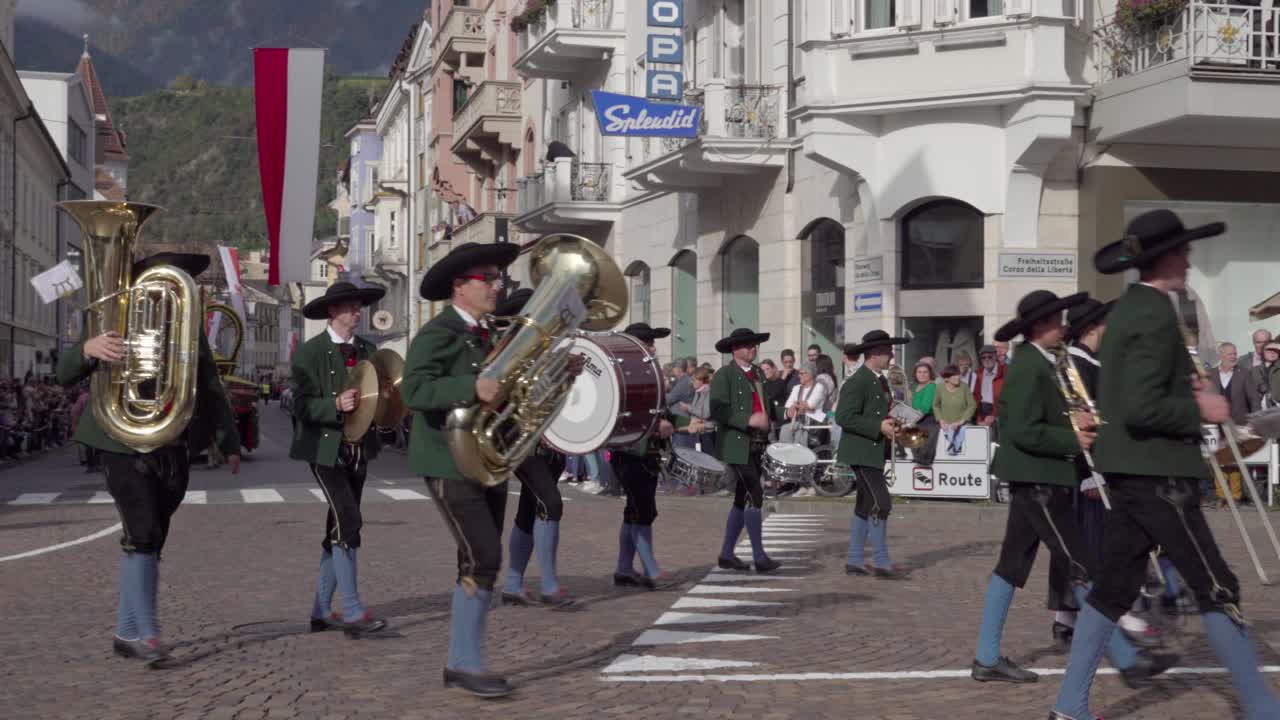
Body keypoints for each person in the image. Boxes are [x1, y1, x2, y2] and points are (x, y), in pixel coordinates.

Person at [1050, 209, 1280, 720]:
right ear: (1171, 255)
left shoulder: (1135, 308)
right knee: (1217, 586)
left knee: (1113, 590)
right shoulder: (1154, 313)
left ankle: (1068, 707)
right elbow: (1138, 406)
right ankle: (1264, 710)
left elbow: (1140, 391)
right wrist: (1201, 406)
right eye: (1186, 250)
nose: (1191, 258)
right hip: (1159, 473)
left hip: (1134, 471)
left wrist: (1188, 389)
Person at [403, 241, 579, 698]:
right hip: (448, 459)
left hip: (487, 457)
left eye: (498, 278)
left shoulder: (489, 333)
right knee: (484, 555)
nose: (498, 285)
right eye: (489, 278)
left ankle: (462, 660)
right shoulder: (438, 333)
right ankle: (465, 662)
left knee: (476, 559)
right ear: (460, 286)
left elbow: (514, 389)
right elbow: (416, 391)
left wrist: (563, 372)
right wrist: (469, 386)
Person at [970, 290, 1164, 686]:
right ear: (1041, 326)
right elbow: (1021, 430)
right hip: (1040, 479)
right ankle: (1125, 658)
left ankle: (987, 656)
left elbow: (1041, 418)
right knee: (1082, 566)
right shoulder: (1028, 365)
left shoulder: (1044, 360)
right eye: (1058, 320)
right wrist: (1071, 440)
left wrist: (1073, 420)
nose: (1064, 325)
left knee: (1011, 566)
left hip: (1041, 477)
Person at [57, 252, 241, 666]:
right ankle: (149, 635)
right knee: (142, 533)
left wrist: (228, 440)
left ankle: (126, 632)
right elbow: (64, 372)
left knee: (151, 538)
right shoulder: (110, 316)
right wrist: (88, 349)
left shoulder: (187, 326)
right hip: (120, 441)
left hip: (171, 443)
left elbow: (209, 383)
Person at [290, 281, 389, 638]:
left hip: (359, 449)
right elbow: (298, 405)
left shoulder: (367, 348)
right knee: (348, 520)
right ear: (333, 312)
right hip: (324, 449)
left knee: (337, 527)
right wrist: (333, 405)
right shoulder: (310, 351)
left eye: (358, 307)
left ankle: (320, 611)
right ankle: (351, 610)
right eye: (349, 307)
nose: (357, 312)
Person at [495, 288, 573, 609]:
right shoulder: (507, 352)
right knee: (551, 503)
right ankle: (549, 583)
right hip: (521, 442)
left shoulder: (547, 348)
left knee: (530, 508)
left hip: (552, 443)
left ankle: (513, 583)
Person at [711, 328, 785, 573]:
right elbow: (719, 410)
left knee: (741, 500)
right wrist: (748, 420)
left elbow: (768, 409)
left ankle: (726, 554)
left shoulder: (757, 374)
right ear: (735, 349)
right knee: (755, 494)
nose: (753, 348)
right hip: (736, 444)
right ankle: (759, 556)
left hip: (757, 444)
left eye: (754, 345)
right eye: (748, 345)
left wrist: (787, 412)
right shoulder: (724, 375)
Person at [611, 322, 678, 589]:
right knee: (642, 511)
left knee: (633, 511)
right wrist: (655, 427)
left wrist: (683, 422)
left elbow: (662, 411)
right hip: (629, 452)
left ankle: (624, 569)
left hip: (646, 453)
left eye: (652, 342)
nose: (653, 347)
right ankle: (651, 570)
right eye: (648, 342)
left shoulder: (649, 373)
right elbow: (627, 415)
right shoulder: (625, 373)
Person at [839, 330, 909, 579]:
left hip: (873, 449)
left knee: (865, 505)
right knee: (881, 503)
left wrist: (894, 423)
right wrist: (878, 426)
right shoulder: (858, 380)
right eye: (887, 351)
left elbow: (878, 411)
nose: (891, 354)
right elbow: (844, 417)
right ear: (874, 353)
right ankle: (881, 562)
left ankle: (855, 560)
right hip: (861, 451)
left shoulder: (879, 379)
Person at [779, 362, 827, 445]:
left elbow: (811, 404)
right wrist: (801, 406)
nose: (799, 376)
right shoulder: (796, 388)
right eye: (798, 373)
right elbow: (788, 406)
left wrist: (797, 405)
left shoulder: (819, 387)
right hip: (797, 423)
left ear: (810, 374)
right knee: (785, 429)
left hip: (813, 426)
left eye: (801, 373)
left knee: (797, 432)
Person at [933, 365, 976, 455]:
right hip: (945, 423)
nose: (957, 377)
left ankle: (954, 446)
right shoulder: (939, 388)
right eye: (954, 376)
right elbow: (935, 405)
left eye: (958, 375)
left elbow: (972, 405)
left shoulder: (964, 387)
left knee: (962, 431)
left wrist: (961, 421)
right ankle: (953, 446)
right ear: (946, 379)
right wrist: (940, 420)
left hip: (962, 422)